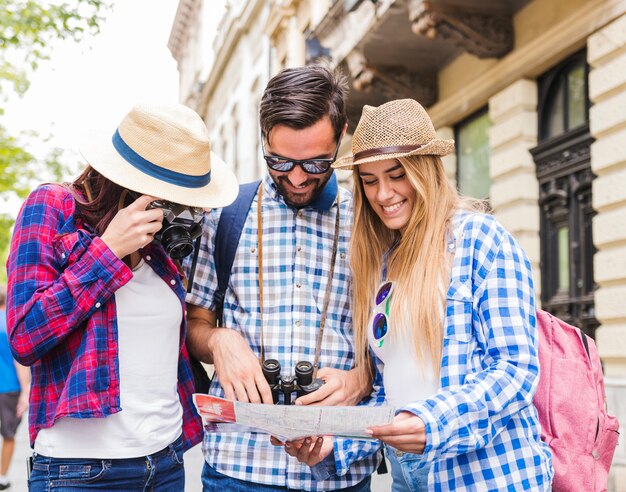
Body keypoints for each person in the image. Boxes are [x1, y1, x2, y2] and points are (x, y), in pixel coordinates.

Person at [284, 98, 554, 490]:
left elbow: (515, 370)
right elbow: (390, 391)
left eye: (396, 174)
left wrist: (432, 423)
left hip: (486, 475)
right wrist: (332, 447)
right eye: (370, 180)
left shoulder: (480, 240)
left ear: (424, 170)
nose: (383, 194)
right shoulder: (382, 263)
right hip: (405, 475)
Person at [6, 102, 238, 491]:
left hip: (165, 461)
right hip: (80, 471)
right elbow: (25, 337)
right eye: (170, 194)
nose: (179, 207)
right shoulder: (52, 207)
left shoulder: (165, 238)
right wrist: (107, 251)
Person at [185, 65, 383, 491]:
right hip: (239, 468)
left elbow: (395, 340)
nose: (296, 177)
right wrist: (220, 341)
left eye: (315, 162)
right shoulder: (224, 214)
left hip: (340, 467)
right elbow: (194, 324)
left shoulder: (371, 222)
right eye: (280, 161)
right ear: (263, 140)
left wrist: (361, 378)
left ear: (341, 134)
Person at [0, 284, 30, 491]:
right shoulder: (10, 324)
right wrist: (26, 392)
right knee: (8, 434)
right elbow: (20, 360)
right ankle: (2, 476)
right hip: (9, 388)